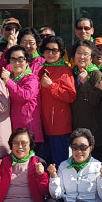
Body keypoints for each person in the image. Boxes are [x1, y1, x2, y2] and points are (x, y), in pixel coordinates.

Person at [71, 41, 102, 163]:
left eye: (86, 54)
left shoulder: (96, 74)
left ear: (91, 57)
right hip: (78, 128)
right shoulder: (73, 72)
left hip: (96, 131)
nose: (82, 57)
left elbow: (95, 101)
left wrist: (85, 83)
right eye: (79, 53)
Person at [38, 35, 76, 166]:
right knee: (45, 162)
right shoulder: (42, 69)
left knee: (59, 163)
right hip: (44, 124)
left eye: (54, 50)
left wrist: (51, 86)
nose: (50, 53)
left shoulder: (65, 70)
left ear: (61, 52)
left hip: (59, 126)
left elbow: (70, 96)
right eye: (47, 49)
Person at [3, 46, 43, 149]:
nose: (16, 63)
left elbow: (25, 95)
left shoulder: (32, 78)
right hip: (14, 128)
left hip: (29, 129)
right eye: (13, 59)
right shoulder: (11, 79)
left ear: (27, 61)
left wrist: (8, 82)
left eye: (20, 59)